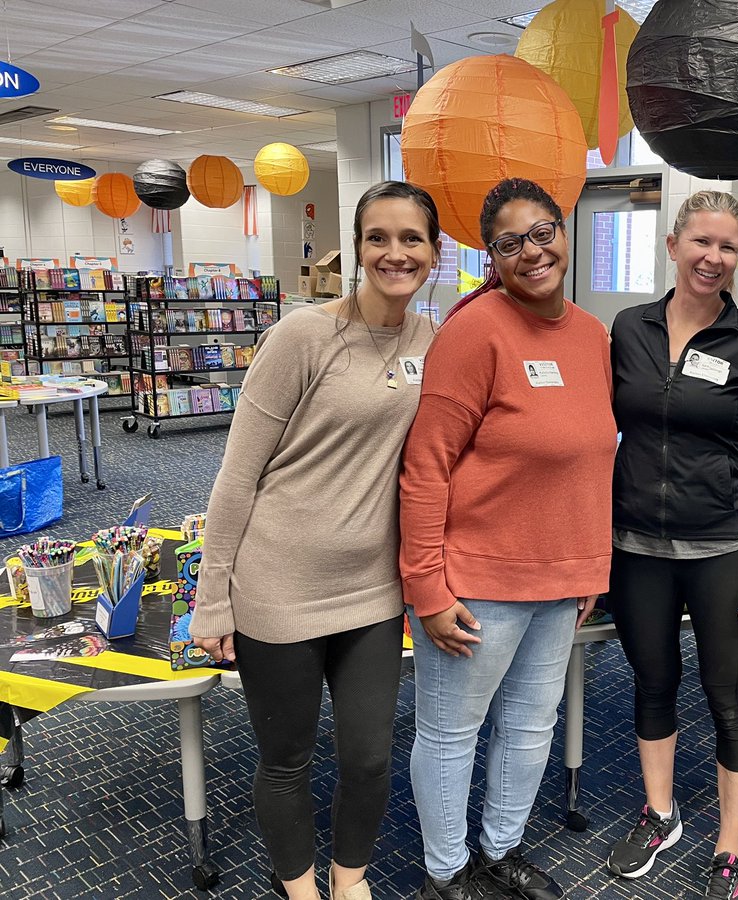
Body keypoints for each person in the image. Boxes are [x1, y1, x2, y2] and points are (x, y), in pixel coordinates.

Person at [190, 181, 443, 900]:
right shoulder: (302, 336)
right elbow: (236, 479)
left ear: (434, 250)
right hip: (278, 586)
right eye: (378, 238)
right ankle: (300, 888)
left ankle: (349, 879)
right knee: (287, 758)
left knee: (368, 757)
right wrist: (213, 602)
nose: (395, 253)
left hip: (372, 589)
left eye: (411, 239)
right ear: (357, 248)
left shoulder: (433, 338)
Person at [400, 177, 617, 900]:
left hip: (561, 581)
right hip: (478, 583)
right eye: (509, 242)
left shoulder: (590, 335)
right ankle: (445, 870)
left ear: (564, 230)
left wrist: (591, 566)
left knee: (530, 728)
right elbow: (425, 468)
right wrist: (426, 588)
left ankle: (500, 850)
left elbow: (589, 457)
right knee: (452, 732)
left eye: (542, 232)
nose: (532, 251)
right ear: (491, 257)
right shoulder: (475, 330)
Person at [605, 190, 738, 899]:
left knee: (728, 698)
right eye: (701, 242)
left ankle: (730, 847)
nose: (713, 258)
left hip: (724, 547)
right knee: (652, 683)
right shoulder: (629, 329)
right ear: (673, 244)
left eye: (727, 247)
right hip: (636, 548)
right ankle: (661, 815)